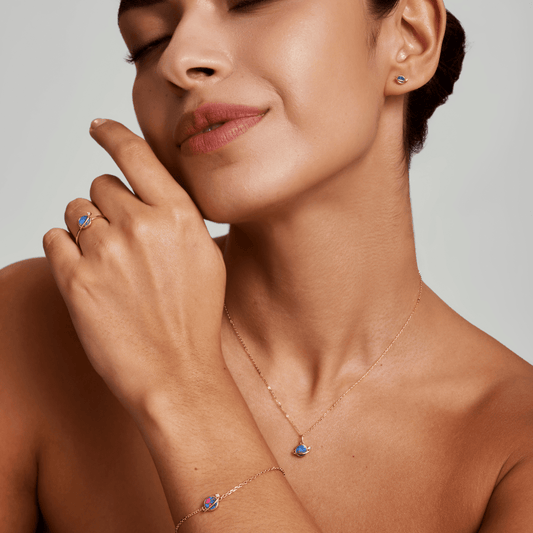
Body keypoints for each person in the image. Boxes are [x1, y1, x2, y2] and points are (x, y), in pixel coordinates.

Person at [1, 0, 532, 531]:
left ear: (410, 39)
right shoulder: (30, 326)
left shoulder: (514, 444)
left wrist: (182, 389)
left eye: (249, 2)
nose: (179, 60)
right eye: (149, 42)